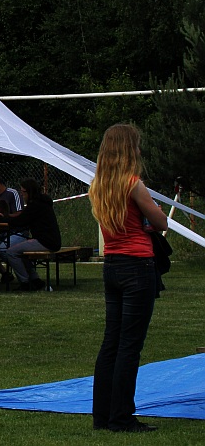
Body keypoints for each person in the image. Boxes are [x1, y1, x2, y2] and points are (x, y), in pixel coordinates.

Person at [89, 124, 167, 433]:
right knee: (129, 345)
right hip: (137, 266)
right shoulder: (134, 184)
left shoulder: (99, 185)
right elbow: (160, 222)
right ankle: (122, 417)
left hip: (112, 265)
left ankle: (102, 414)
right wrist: (153, 216)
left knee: (111, 342)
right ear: (128, 149)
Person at [0, 178, 61, 291]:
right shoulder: (41, 203)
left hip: (45, 241)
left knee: (11, 252)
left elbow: (21, 220)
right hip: (50, 240)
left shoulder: (35, 205)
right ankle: (35, 280)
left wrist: (1, 219)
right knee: (21, 253)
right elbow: (23, 218)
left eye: (23, 192)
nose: (22, 194)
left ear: (29, 192)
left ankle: (24, 282)